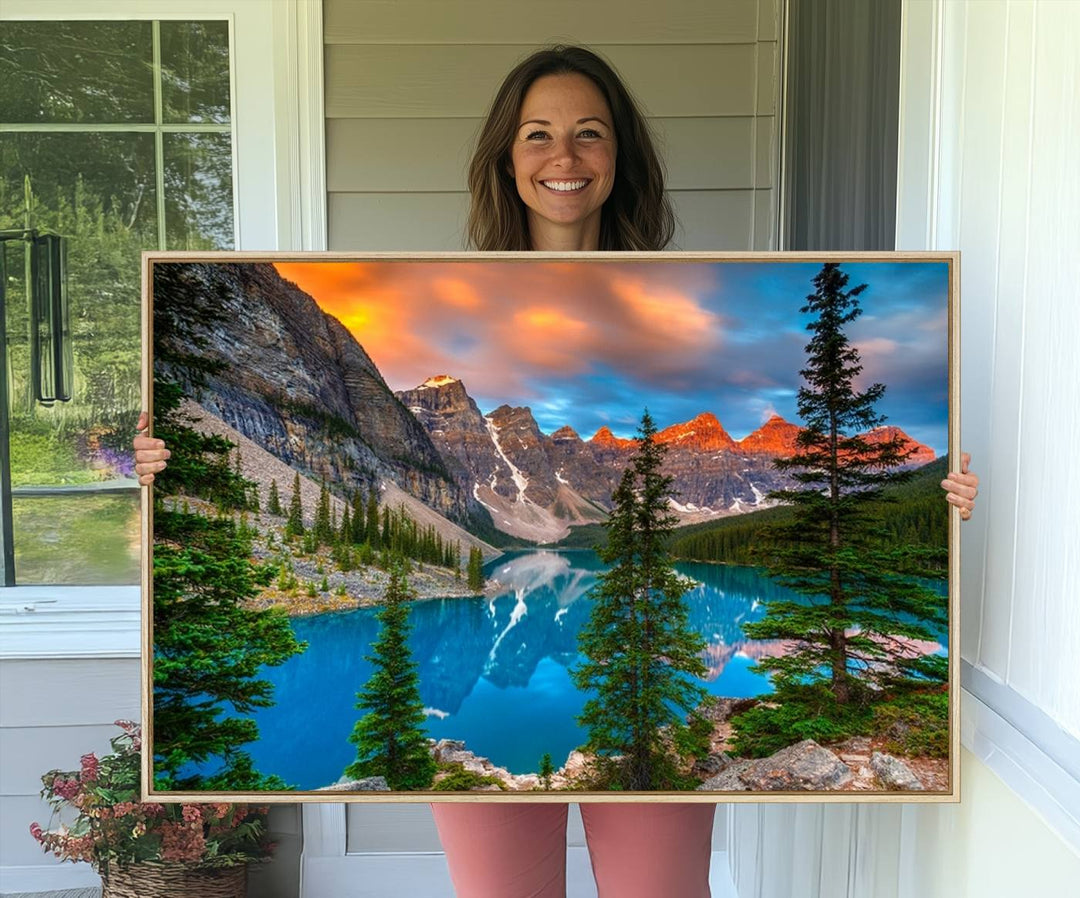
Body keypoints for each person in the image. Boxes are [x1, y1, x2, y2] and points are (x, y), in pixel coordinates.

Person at [134, 45, 979, 898]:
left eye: (589, 134)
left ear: (621, 157)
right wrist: (163, 467)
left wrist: (935, 503)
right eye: (538, 134)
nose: (564, 157)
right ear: (507, 157)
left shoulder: (700, 280)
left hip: (656, 703)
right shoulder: (444, 284)